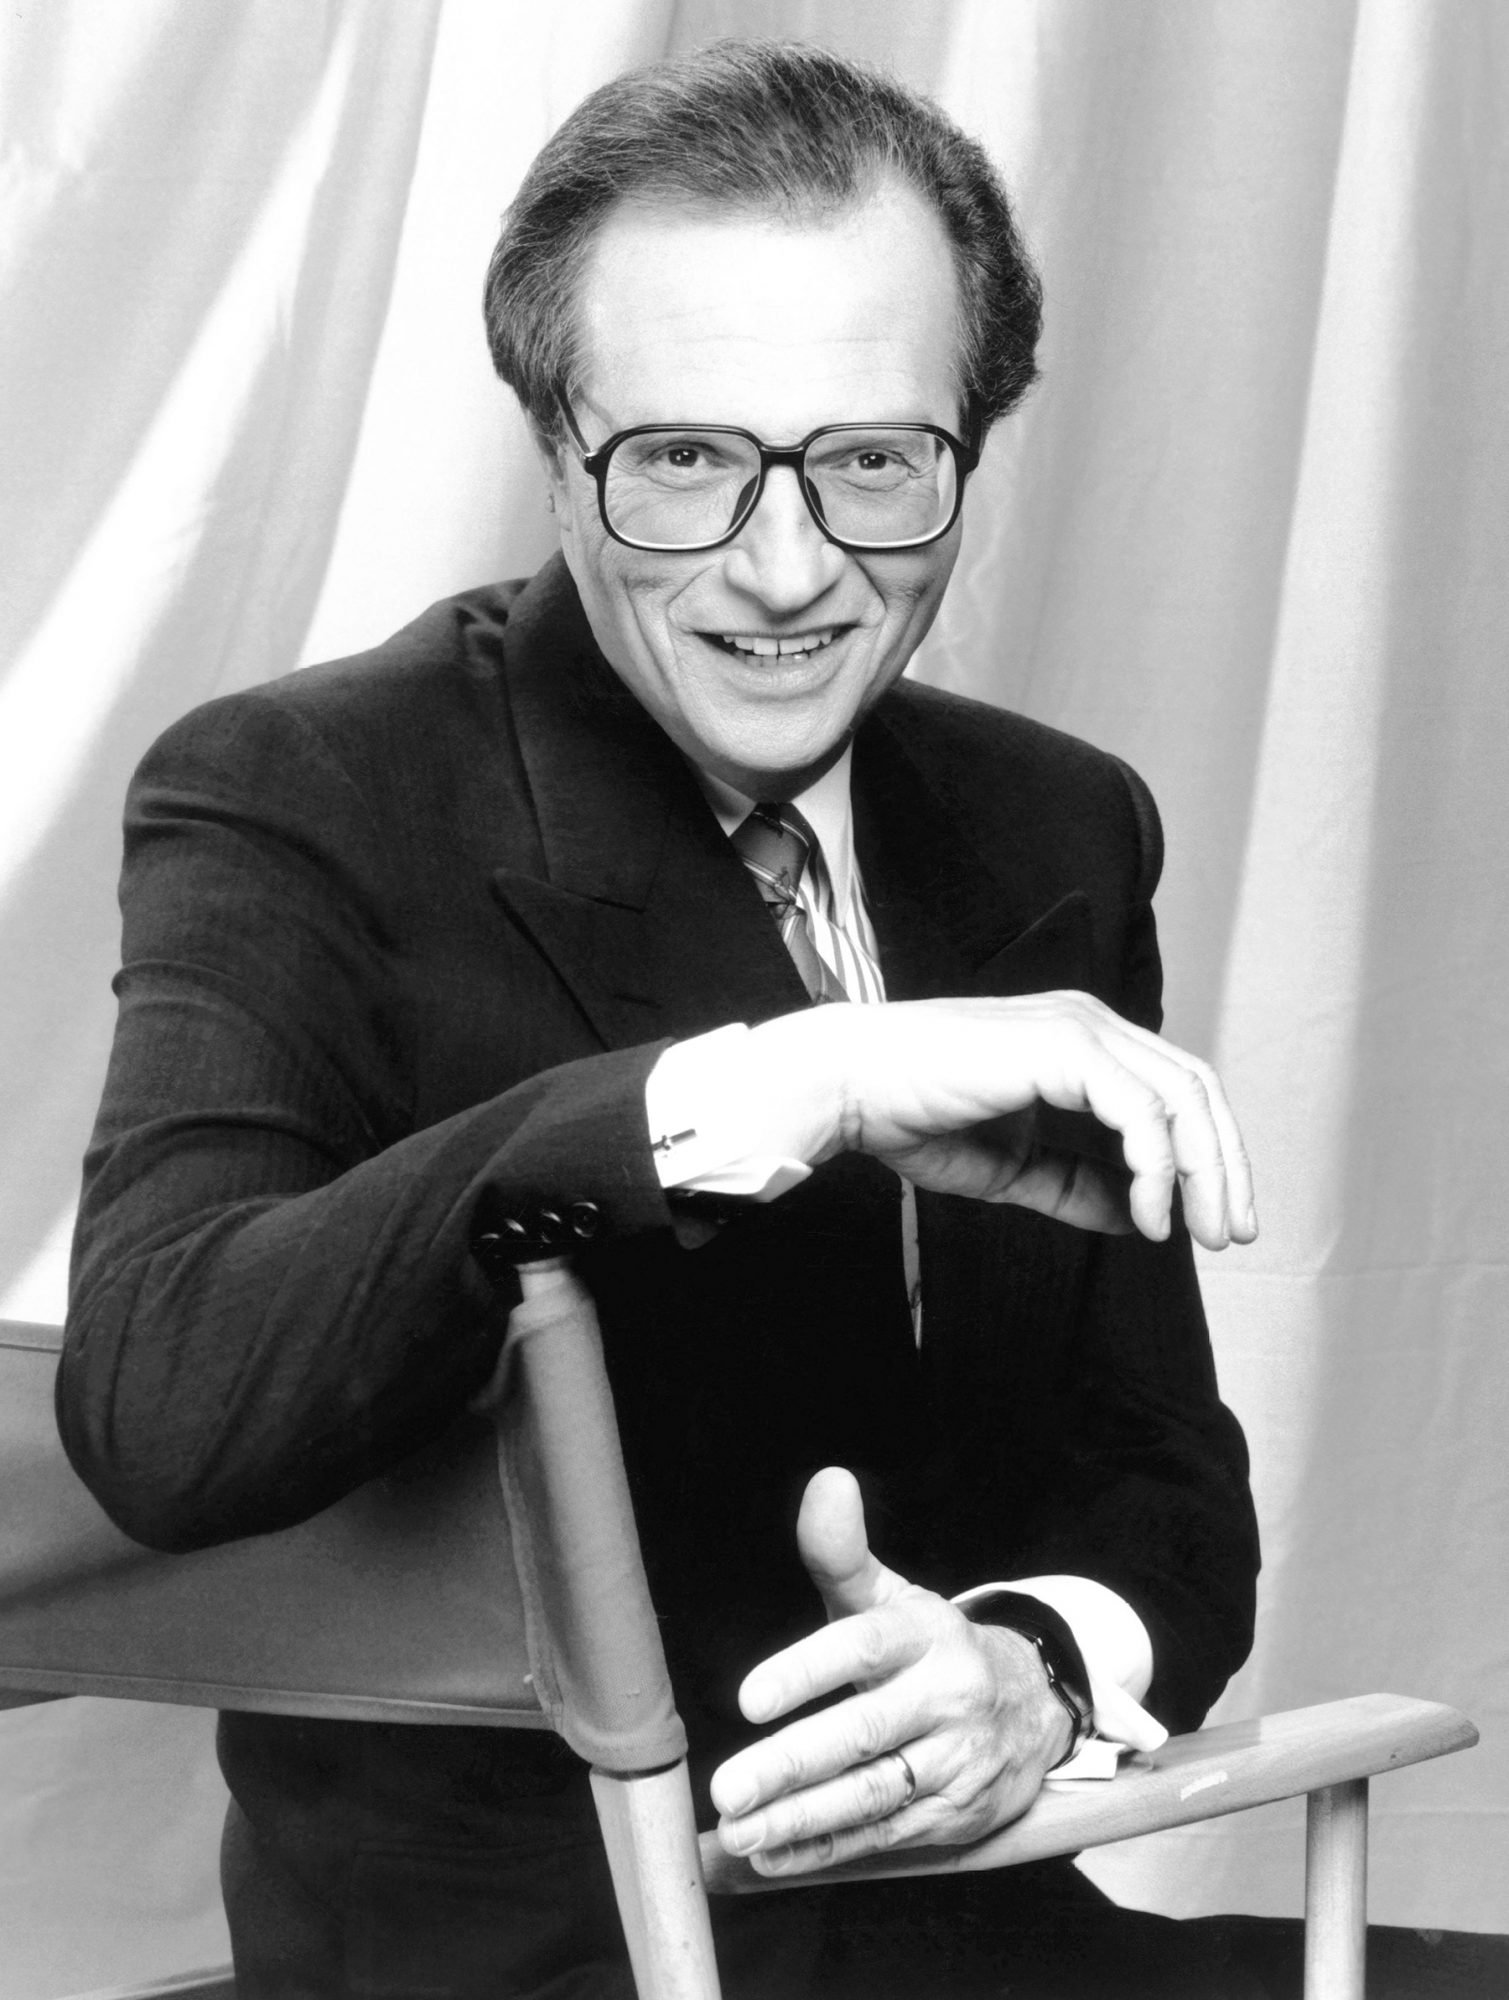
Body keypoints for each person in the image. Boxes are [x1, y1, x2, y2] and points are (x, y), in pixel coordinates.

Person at [60, 40, 1262, 2000]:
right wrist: (773, 1087)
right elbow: (162, 1405)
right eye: (686, 462)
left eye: (871, 461)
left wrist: (1030, 1666)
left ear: (969, 447)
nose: (785, 572)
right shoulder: (303, 790)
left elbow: (1164, 1480)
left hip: (977, 1943)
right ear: (558, 452)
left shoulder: (1055, 824)